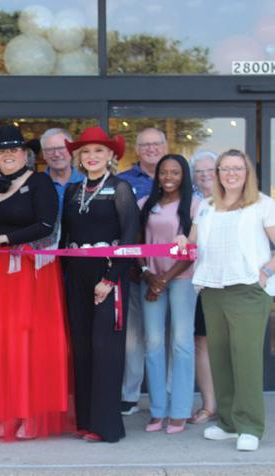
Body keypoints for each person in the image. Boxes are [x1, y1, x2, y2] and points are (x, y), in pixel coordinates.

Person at [176, 149, 275, 452]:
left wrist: (266, 272)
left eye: (237, 168)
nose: (231, 174)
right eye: (225, 168)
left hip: (248, 290)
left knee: (246, 358)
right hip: (213, 290)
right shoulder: (207, 206)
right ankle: (228, 423)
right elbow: (192, 244)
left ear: (247, 173)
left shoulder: (263, 204)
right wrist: (182, 242)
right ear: (217, 174)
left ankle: (250, 426)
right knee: (220, 358)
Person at [0, 125, 73, 442]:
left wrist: (3, 239)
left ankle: (29, 414)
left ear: (26, 154)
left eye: (14, 150)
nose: (8, 155)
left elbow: (45, 225)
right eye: (2, 152)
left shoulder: (40, 183)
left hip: (28, 273)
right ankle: (2, 413)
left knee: (25, 342)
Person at [60, 126, 139, 443]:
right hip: (76, 276)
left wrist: (110, 278)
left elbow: (130, 239)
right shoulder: (72, 191)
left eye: (99, 151)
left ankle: (107, 426)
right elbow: (65, 237)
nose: (92, 156)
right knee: (81, 349)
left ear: (110, 155)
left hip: (108, 276)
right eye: (86, 151)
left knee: (105, 349)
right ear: (79, 158)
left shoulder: (121, 189)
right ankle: (85, 421)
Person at [138, 154, 199, 434]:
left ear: (184, 175)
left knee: (182, 343)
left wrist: (165, 279)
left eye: (175, 172)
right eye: (164, 172)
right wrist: (148, 275)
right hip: (150, 279)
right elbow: (137, 244)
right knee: (152, 343)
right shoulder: (144, 204)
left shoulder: (195, 205)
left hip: (182, 278)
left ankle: (180, 410)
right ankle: (158, 409)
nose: (169, 177)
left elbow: (194, 249)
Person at [117, 127, 169, 416]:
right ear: (137, 150)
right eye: (145, 144)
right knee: (133, 337)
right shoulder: (124, 181)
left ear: (165, 146)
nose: (151, 148)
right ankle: (130, 394)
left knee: (169, 336)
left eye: (156, 143)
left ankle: (168, 392)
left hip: (173, 273)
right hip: (135, 272)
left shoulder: (177, 178)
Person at [188, 150, 219, 424]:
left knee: (233, 343)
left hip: (233, 284)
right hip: (200, 283)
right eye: (199, 171)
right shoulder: (193, 204)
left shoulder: (239, 201)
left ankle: (234, 403)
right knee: (201, 342)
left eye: (211, 169)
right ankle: (209, 405)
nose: (205, 175)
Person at [41, 127, 84, 211]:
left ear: (71, 150)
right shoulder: (36, 184)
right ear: (44, 154)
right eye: (50, 149)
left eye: (61, 148)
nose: (56, 154)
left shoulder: (87, 181)